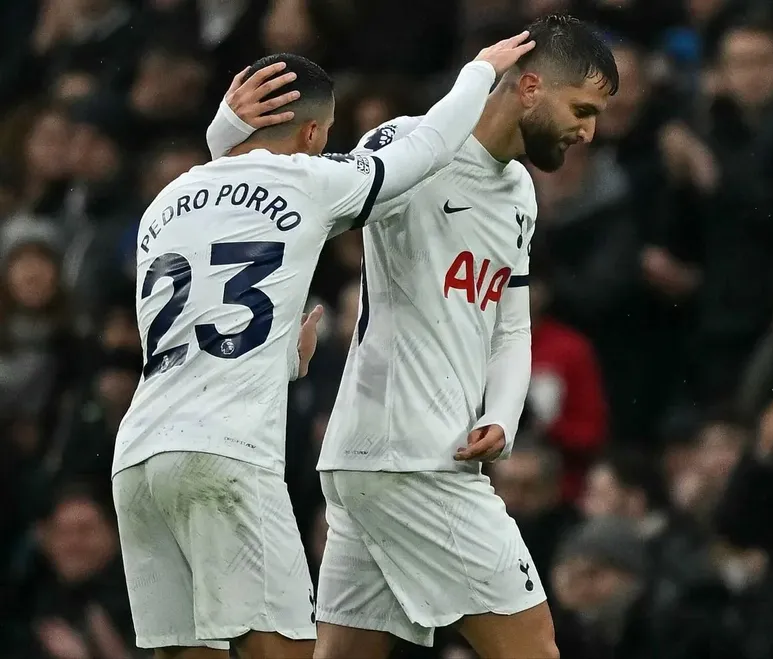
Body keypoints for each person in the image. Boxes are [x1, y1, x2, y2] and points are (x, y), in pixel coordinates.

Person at [206, 13, 618, 659]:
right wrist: (227, 141)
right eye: (582, 109)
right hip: (414, 460)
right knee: (534, 648)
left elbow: (511, 323)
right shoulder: (409, 145)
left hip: (385, 460)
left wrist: (502, 415)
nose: (589, 131)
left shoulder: (518, 191)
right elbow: (298, 201)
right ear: (531, 87)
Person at [110, 36, 535, 659]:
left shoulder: (164, 202)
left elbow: (196, 320)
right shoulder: (308, 180)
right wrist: (478, 72)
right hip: (227, 453)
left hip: (138, 456)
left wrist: (285, 358)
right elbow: (427, 148)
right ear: (313, 132)